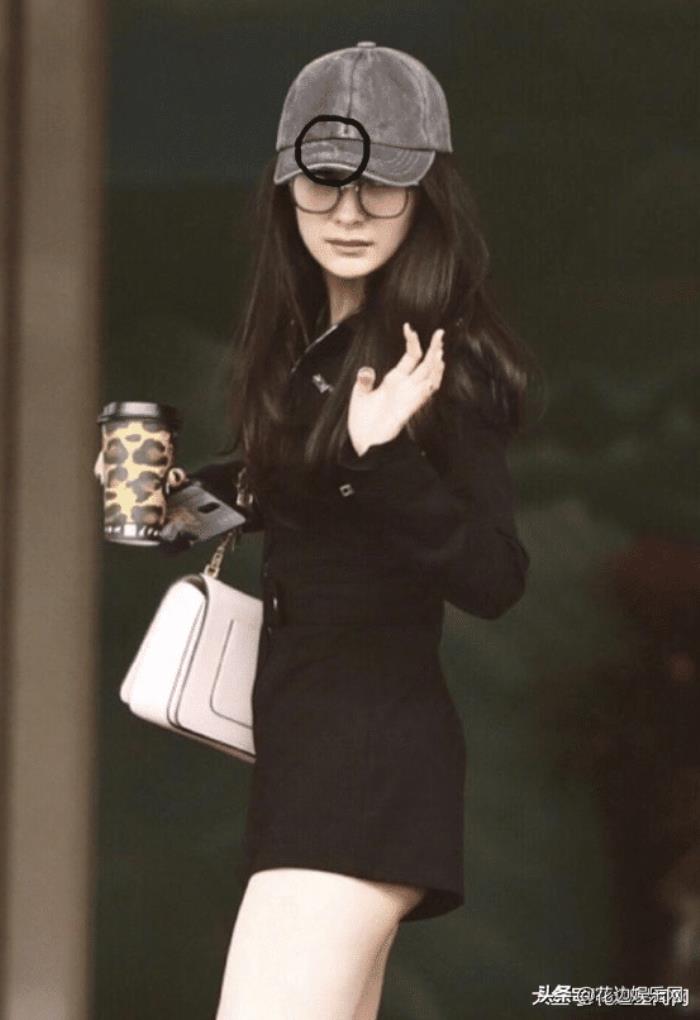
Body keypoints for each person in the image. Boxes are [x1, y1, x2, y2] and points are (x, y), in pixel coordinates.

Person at [109, 41, 536, 1020]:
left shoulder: (439, 357)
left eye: (379, 187)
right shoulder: (310, 356)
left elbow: (495, 576)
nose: (347, 213)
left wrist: (380, 457)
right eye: (323, 183)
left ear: (426, 196)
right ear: (284, 189)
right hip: (307, 767)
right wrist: (149, 493)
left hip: (368, 773)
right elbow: (262, 495)